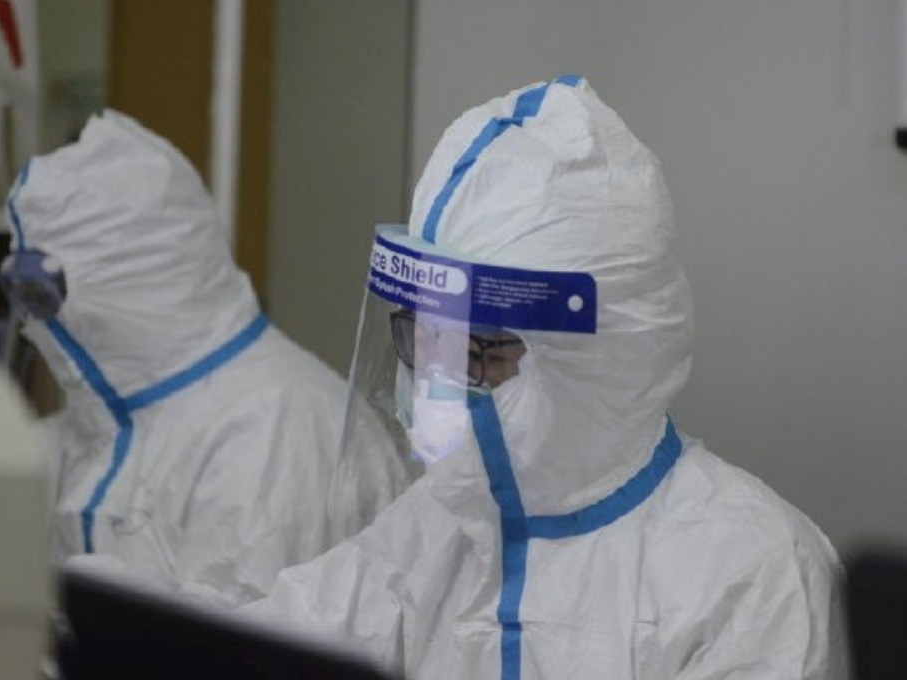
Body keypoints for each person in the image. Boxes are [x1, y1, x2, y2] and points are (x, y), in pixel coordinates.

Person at [239, 76, 850, 678]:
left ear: (589, 370)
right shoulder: (437, 527)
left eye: (477, 352)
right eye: (420, 338)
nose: (434, 386)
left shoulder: (753, 571)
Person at [0, 110, 412, 605]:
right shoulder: (108, 427)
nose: (32, 321)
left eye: (43, 293)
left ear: (129, 281)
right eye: (19, 292)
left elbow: (237, 657)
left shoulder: (275, 435)